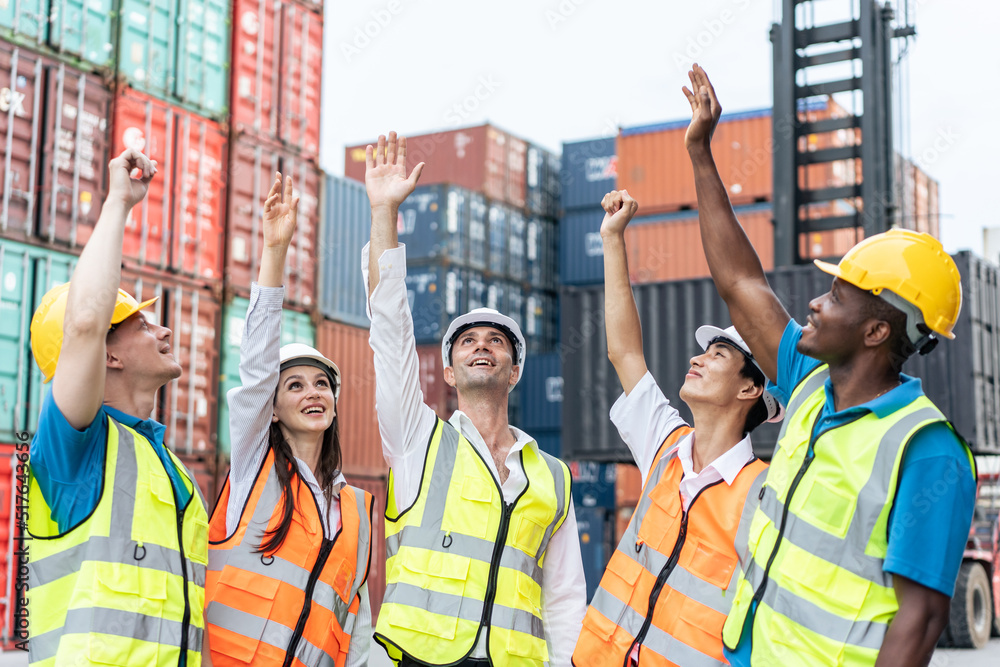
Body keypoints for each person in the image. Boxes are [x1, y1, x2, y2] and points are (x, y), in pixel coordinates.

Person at [682, 64, 977, 667]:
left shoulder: (926, 450)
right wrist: (701, 153)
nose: (816, 302)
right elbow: (740, 282)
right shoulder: (811, 385)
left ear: (876, 330)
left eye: (838, 295)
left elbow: (919, 623)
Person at [362, 131, 587, 667]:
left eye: (496, 342)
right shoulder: (417, 440)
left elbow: (563, 598)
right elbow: (389, 330)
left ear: (515, 372)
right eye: (467, 341)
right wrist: (383, 214)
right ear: (447, 371)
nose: (482, 345)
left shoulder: (553, 477)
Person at [572, 190, 781, 666]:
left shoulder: (764, 496)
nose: (696, 358)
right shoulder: (665, 446)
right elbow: (624, 352)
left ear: (750, 390)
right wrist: (612, 239)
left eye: (717, 355)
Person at [26, 149, 210, 667]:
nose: (166, 330)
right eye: (144, 326)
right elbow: (85, 321)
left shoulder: (164, 463)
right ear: (106, 353)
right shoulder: (76, 452)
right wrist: (118, 205)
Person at [204, 173, 374, 667]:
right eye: (294, 386)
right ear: (271, 410)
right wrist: (274, 250)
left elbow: (357, 631)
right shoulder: (254, 471)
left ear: (336, 403)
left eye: (321, 384)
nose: (312, 394)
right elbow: (257, 367)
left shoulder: (359, 513)